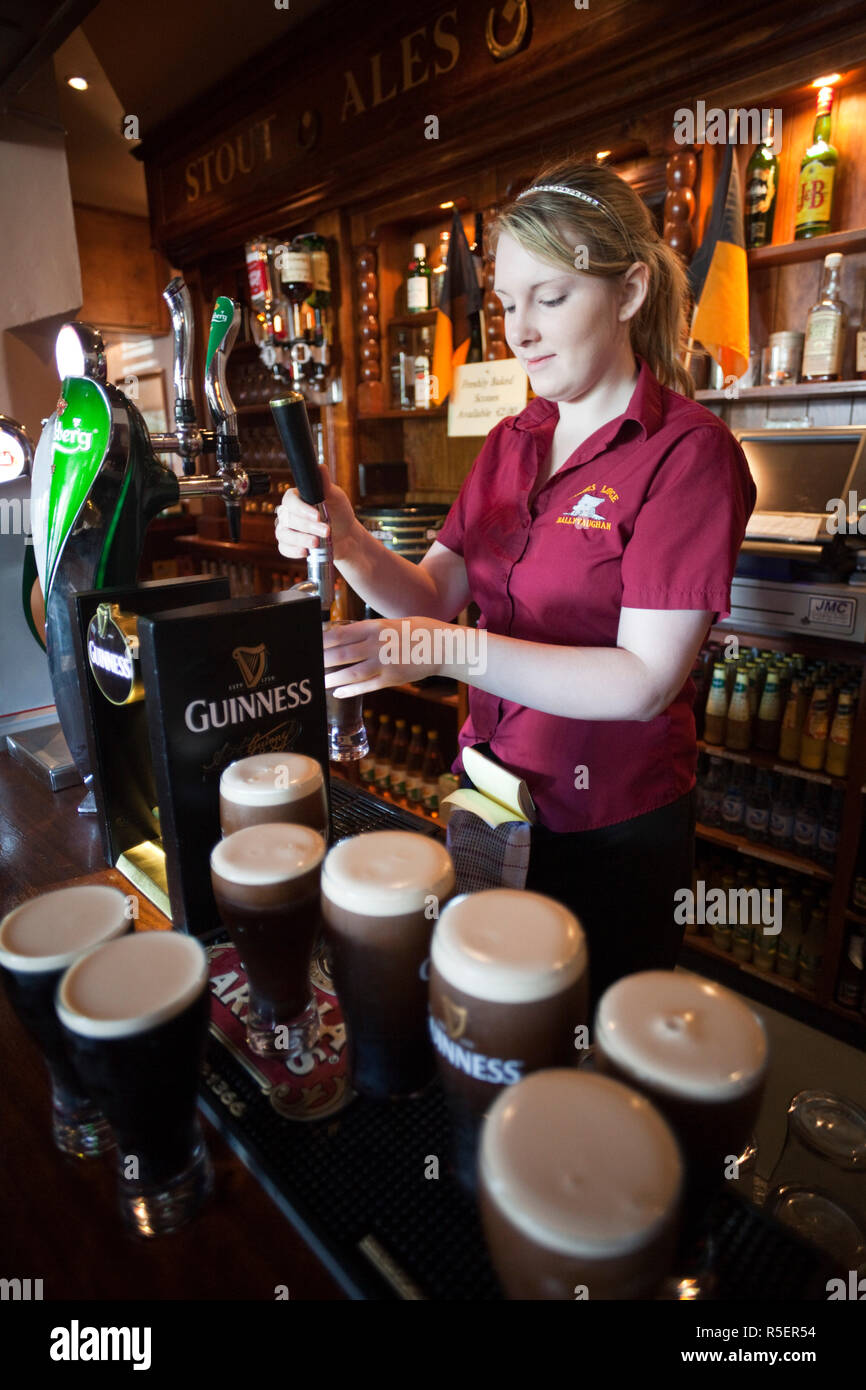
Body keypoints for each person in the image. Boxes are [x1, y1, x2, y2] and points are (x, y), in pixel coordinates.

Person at [275, 158, 756, 1009]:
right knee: (493, 1022)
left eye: (551, 296)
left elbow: (643, 682)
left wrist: (433, 649)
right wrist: (348, 541)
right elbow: (428, 595)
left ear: (630, 290)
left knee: (593, 1062)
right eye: (505, 303)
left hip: (611, 830)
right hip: (491, 800)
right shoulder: (511, 441)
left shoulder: (689, 454)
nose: (519, 330)